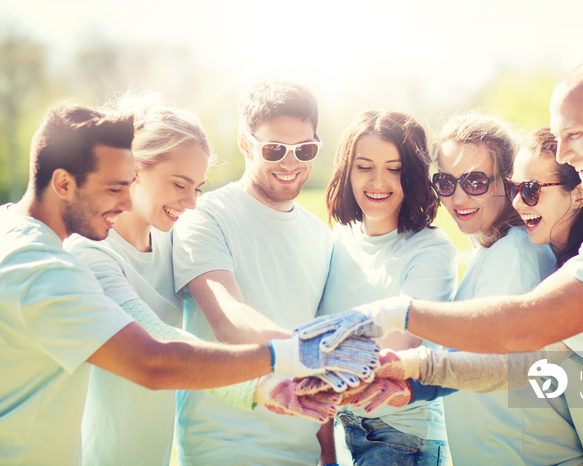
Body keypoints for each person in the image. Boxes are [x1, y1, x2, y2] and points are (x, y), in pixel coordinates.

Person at [297, 59, 583, 464]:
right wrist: (417, 376)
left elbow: (526, 327)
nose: (563, 152)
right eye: (446, 182)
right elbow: (523, 364)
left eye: (574, 135)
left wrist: (395, 315)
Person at [0, 102, 373, 465]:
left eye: (197, 187)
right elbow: (156, 353)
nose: (192, 204)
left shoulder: (167, 240)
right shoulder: (62, 260)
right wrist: (285, 364)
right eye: (116, 187)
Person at [171, 80, 339, 465]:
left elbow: (319, 330)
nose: (291, 162)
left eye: (305, 149)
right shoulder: (205, 216)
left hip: (304, 452)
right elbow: (228, 319)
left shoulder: (321, 236)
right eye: (275, 149)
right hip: (225, 448)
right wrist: (318, 354)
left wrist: (328, 454)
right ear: (245, 145)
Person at [428, 113, 583, 464]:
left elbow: (486, 362)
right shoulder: (492, 251)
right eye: (446, 182)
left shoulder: (515, 253)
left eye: (476, 182)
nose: (458, 197)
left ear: (507, 181)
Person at [317, 110, 457, 465]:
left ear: (412, 175)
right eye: (364, 166)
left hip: (403, 440)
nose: (378, 181)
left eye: (394, 168)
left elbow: (393, 350)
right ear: (347, 171)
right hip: (337, 431)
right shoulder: (337, 240)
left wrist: (306, 361)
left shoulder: (431, 249)